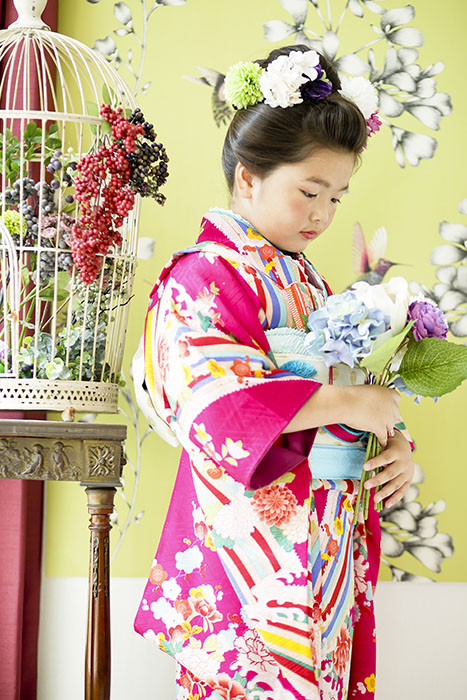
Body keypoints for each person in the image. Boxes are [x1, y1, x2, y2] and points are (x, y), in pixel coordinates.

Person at [133, 45, 415, 700]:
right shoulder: (204, 274)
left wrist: (390, 440)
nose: (321, 213)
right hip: (253, 557)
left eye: (336, 197)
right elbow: (213, 406)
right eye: (308, 191)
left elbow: (354, 393)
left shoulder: (308, 279)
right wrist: (346, 403)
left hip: (324, 546)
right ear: (249, 177)